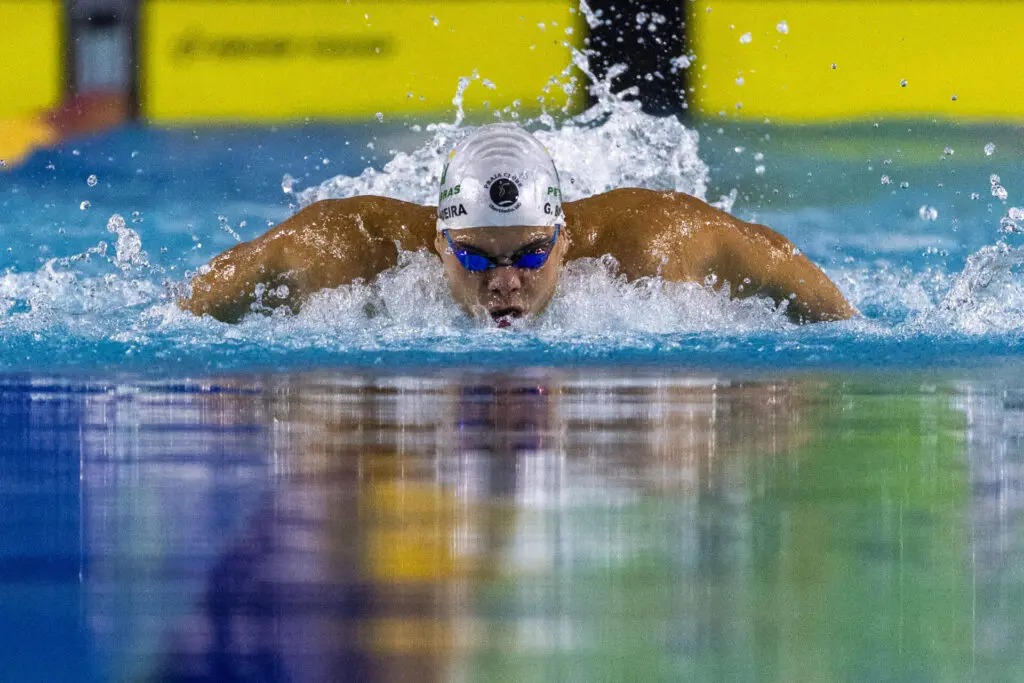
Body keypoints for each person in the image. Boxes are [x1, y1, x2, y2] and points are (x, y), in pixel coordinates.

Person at [179, 123, 856, 325]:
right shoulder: (334, 253)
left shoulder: (657, 246)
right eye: (475, 258)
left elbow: (816, 298)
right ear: (436, 242)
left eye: (531, 255)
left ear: (565, 237)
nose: (505, 284)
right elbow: (176, 323)